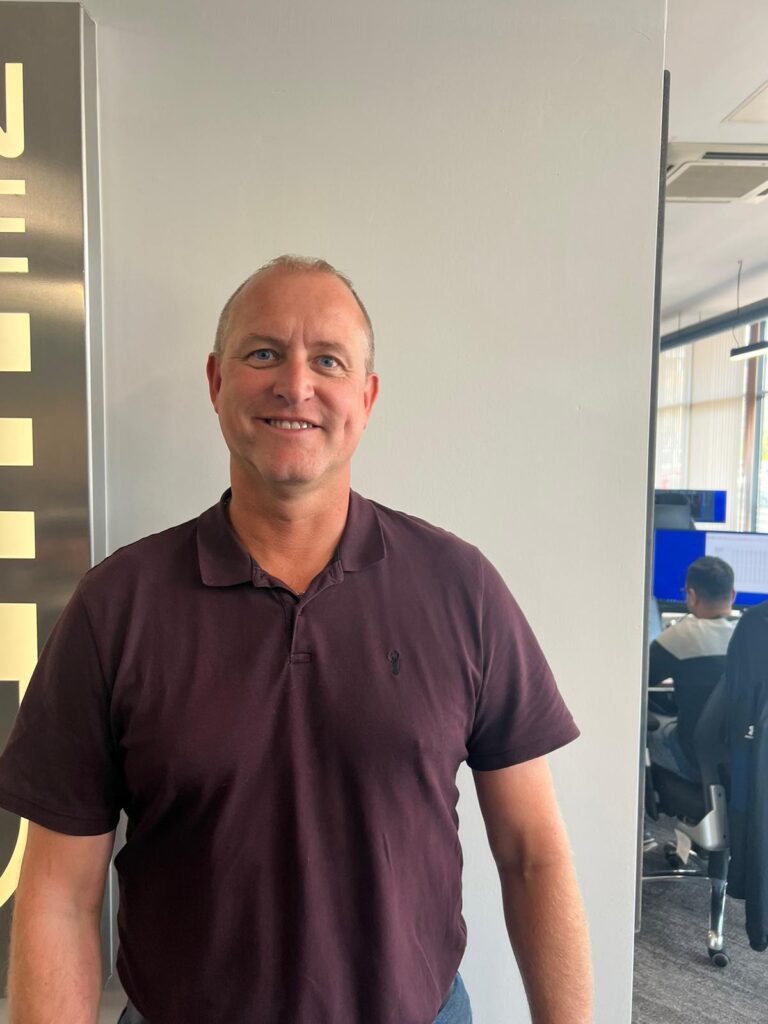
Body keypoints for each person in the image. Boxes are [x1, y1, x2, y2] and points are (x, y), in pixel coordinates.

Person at [0, 256, 592, 1024]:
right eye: (264, 353)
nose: (296, 384)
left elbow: (534, 857)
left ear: (366, 398)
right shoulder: (116, 606)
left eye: (329, 361)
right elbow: (59, 895)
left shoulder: (462, 589)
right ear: (216, 381)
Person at [647, 555, 736, 782]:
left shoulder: (680, 636)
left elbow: (640, 680)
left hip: (693, 760)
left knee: (652, 734)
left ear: (692, 595)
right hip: (741, 761)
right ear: (733, 595)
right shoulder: (749, 637)